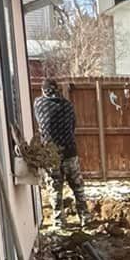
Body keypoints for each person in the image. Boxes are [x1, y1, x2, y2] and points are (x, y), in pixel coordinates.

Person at [35, 76, 88, 226]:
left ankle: (59, 221)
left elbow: (40, 124)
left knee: (55, 188)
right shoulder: (67, 105)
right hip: (69, 151)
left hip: (51, 154)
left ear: (43, 90)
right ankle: (85, 216)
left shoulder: (39, 104)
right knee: (77, 186)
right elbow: (73, 126)